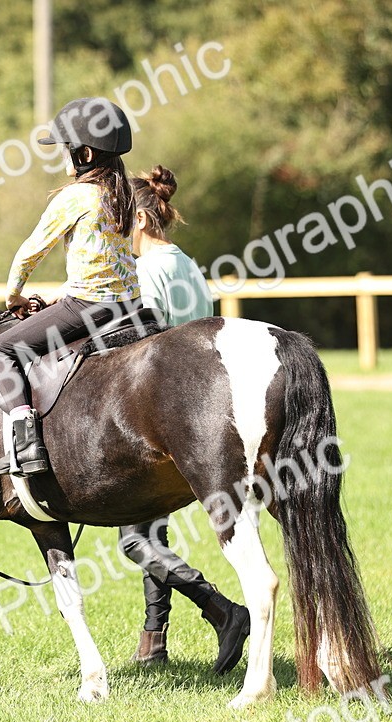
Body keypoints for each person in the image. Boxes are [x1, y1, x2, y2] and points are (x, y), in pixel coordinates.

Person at [117, 165, 250, 674]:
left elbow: (145, 341)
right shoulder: (186, 263)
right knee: (150, 531)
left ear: (143, 220)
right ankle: (153, 640)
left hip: (164, 409)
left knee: (135, 539)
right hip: (202, 402)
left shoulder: (150, 270)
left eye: (123, 221)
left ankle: (222, 610)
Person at [0, 97, 140, 477]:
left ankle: (26, 444)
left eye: (67, 150)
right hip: (130, 303)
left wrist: (13, 297)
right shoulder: (123, 193)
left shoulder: (76, 196)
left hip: (90, 305)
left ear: (85, 153)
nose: (64, 158)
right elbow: (110, 258)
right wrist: (61, 295)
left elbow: (29, 253)